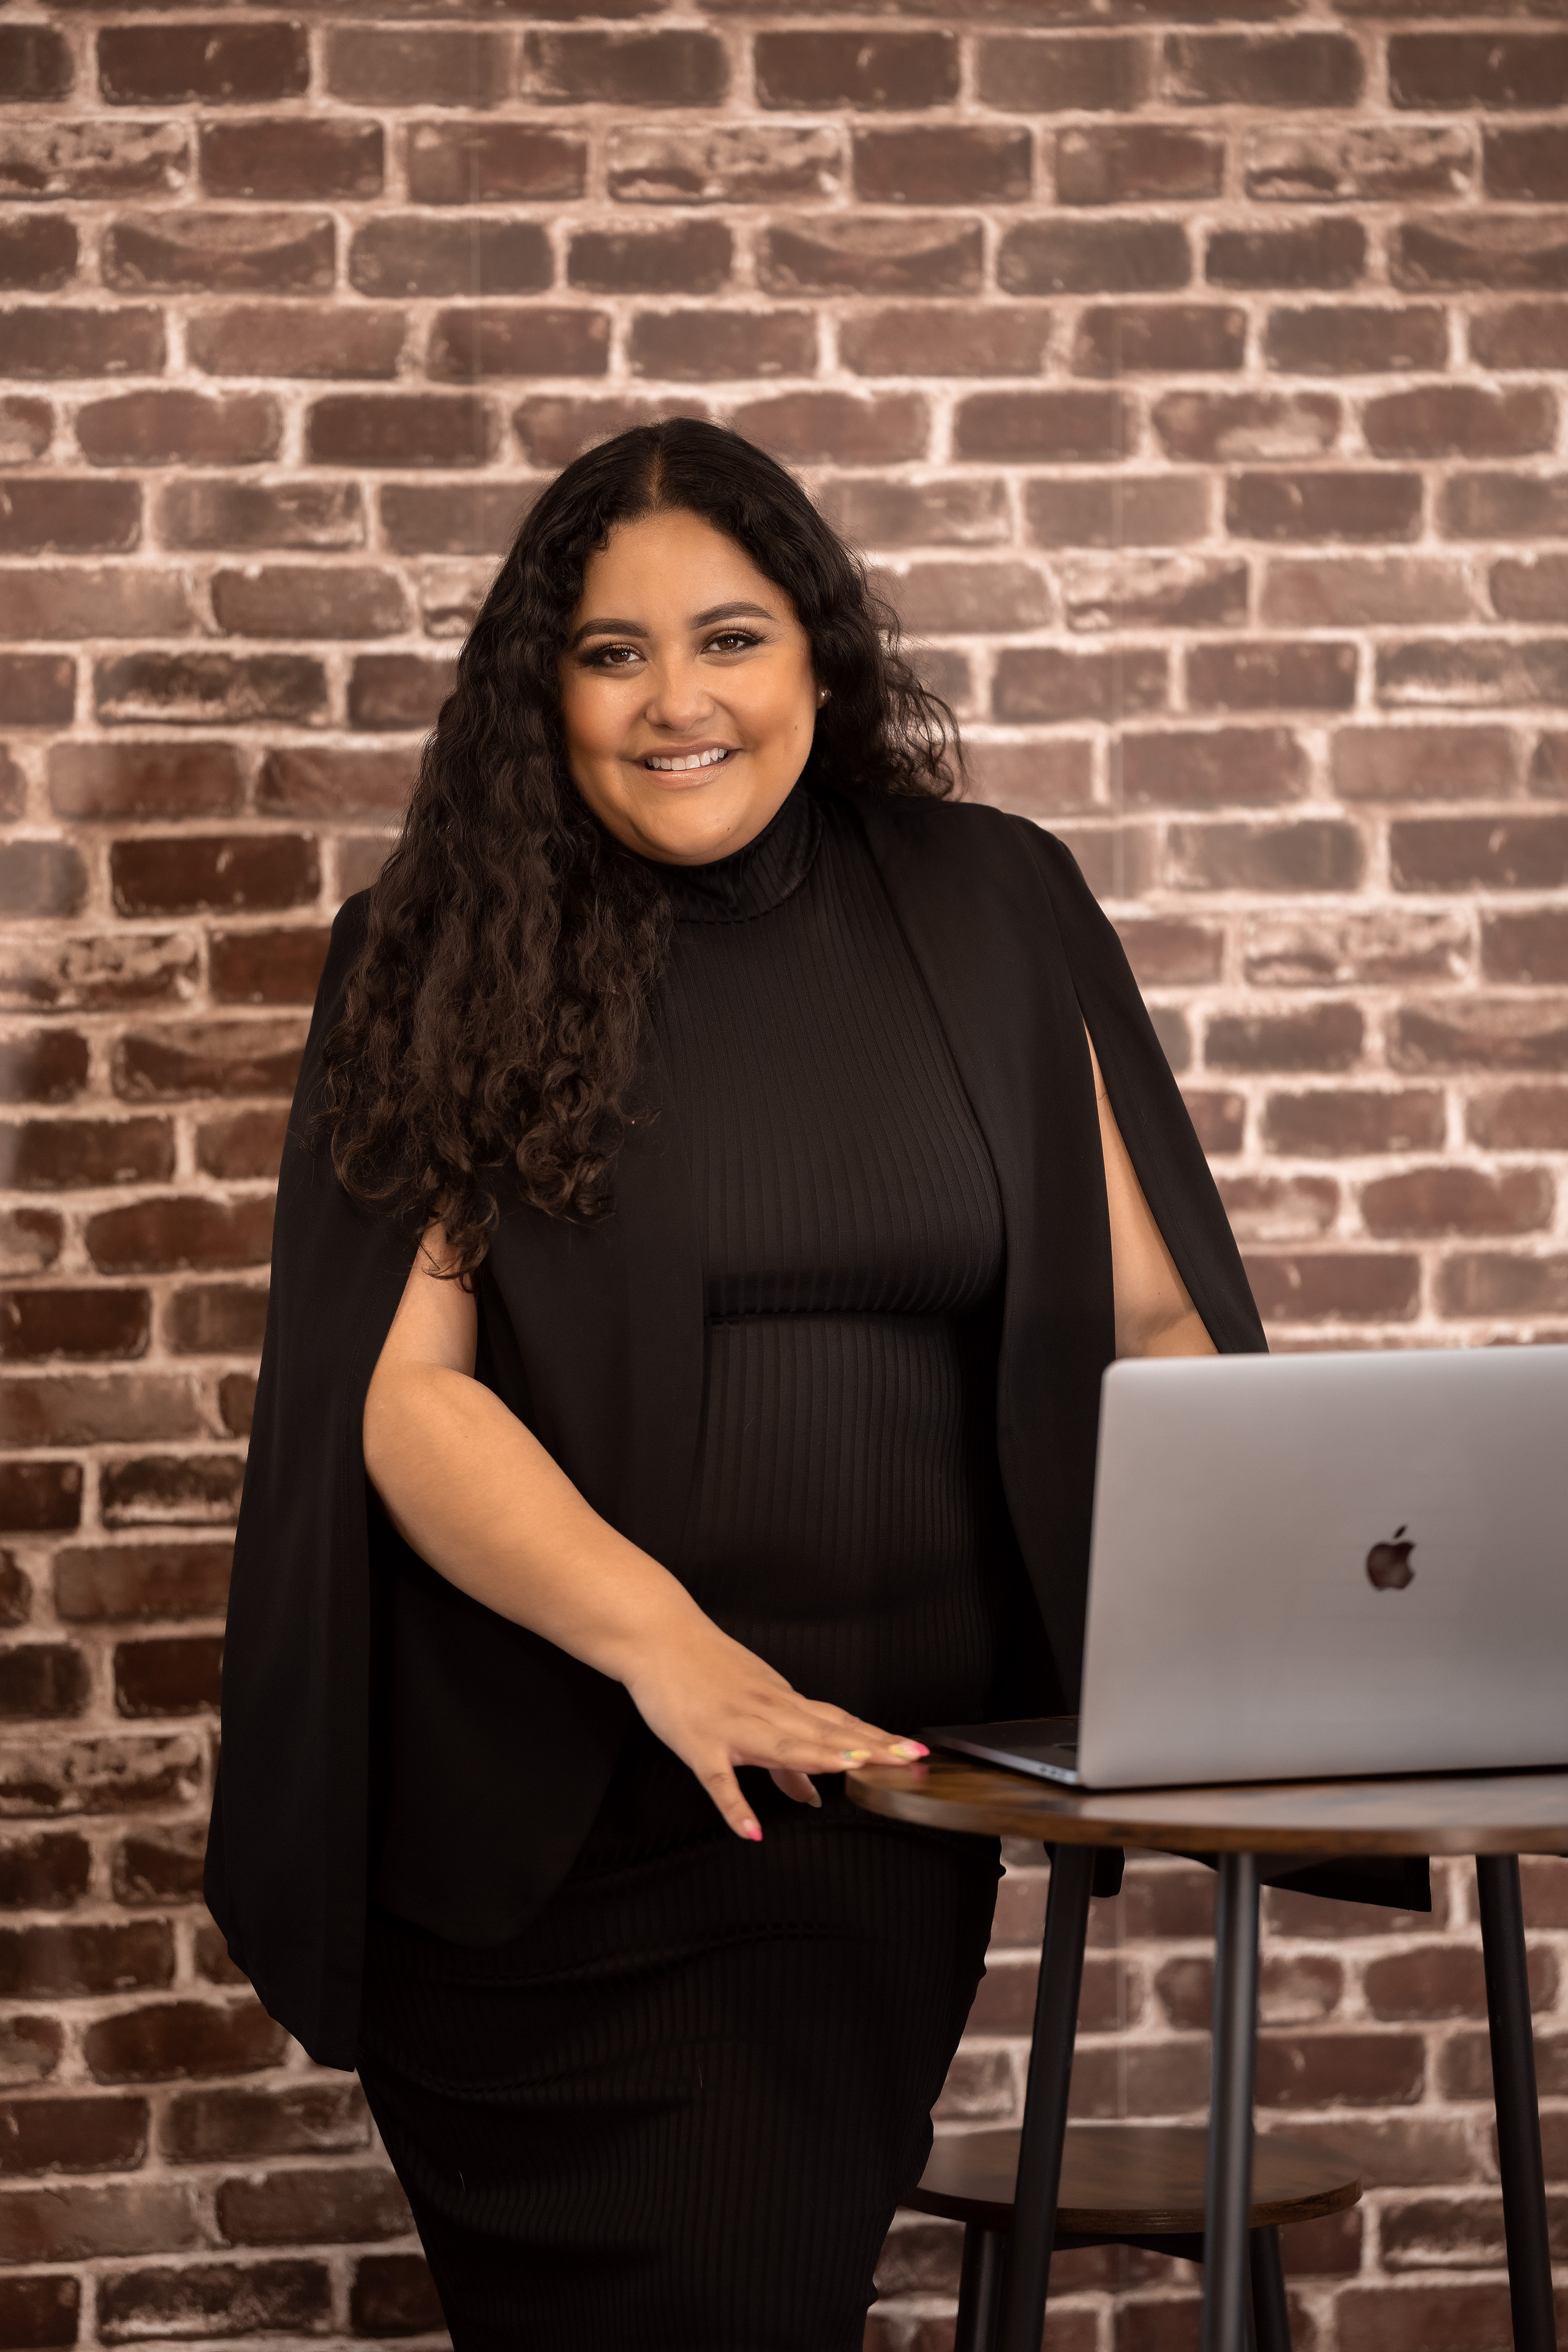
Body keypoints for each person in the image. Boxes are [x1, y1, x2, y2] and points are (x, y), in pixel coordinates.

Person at [206, 418, 1267, 2348]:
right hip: (539, 1822)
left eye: (731, 637)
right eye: (611, 652)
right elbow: (409, 1396)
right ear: (547, 689)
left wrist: (1282, 1617)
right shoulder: (438, 950)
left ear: (820, 657)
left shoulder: (991, 904)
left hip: (859, 1816)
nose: (674, 701)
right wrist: (663, 1645)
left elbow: (1160, 1329)